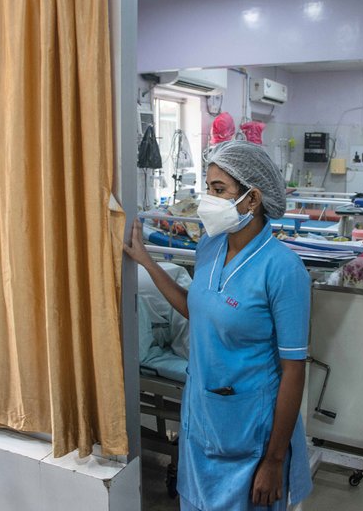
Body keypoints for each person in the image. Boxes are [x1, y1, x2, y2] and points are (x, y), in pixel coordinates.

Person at [125, 141, 313, 510]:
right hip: (200, 418)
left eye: (218, 190)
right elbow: (198, 308)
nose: (207, 199)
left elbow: (294, 371)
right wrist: (146, 262)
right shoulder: (210, 248)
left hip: (250, 432)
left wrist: (274, 460)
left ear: (252, 199)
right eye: (208, 188)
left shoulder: (284, 270)